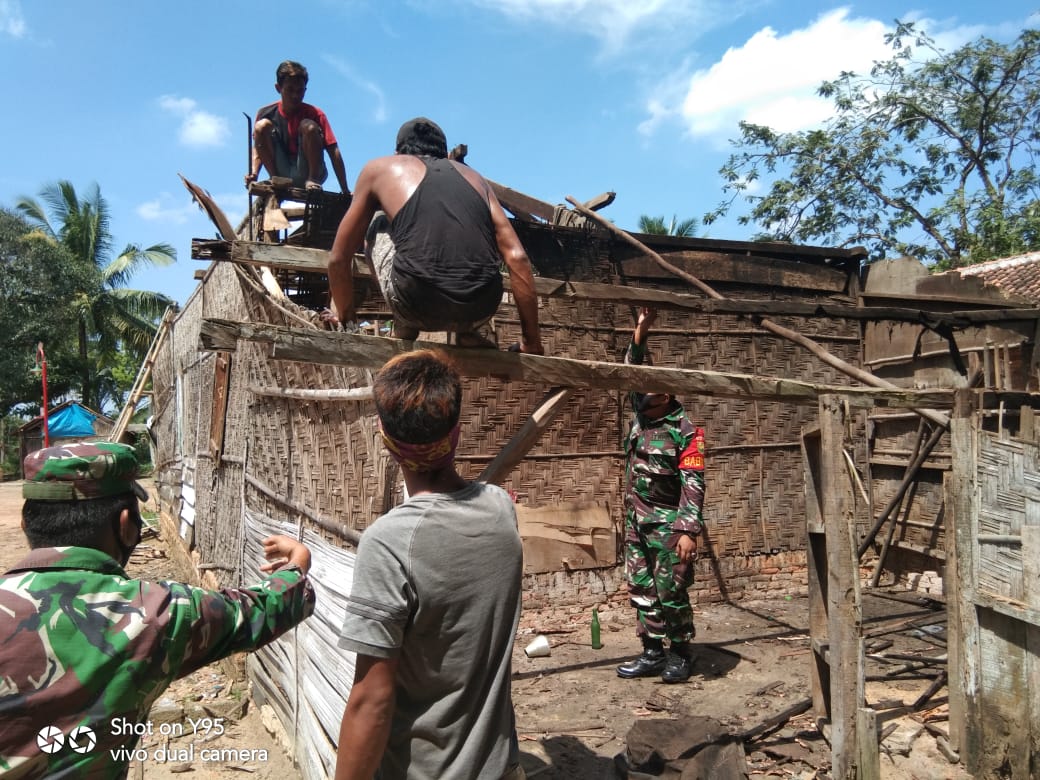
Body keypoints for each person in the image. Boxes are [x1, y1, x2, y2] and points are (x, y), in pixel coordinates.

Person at [0, 441, 315, 778]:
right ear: (126, 525)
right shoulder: (156, 613)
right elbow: (261, 610)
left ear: (24, 525)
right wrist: (296, 566)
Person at [335, 350, 525, 780]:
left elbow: (372, 701)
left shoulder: (388, 543)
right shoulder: (500, 509)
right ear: (455, 434)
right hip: (500, 766)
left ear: (385, 438)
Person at [326, 116, 543, 353]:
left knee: (377, 222)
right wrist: (531, 342)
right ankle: (468, 332)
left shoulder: (379, 169)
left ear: (398, 152)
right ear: (444, 153)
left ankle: (404, 323)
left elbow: (339, 258)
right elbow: (517, 258)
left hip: (415, 304)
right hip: (481, 308)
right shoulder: (476, 179)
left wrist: (346, 320)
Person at [616, 307, 706, 684]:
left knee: (671, 590)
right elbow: (632, 366)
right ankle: (652, 651)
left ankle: (681, 652)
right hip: (637, 522)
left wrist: (688, 530)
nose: (638, 400)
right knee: (642, 586)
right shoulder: (644, 417)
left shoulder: (686, 431)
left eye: (647, 397)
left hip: (669, 525)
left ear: (666, 396)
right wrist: (640, 331)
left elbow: (693, 483)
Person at [245, 60, 350, 193]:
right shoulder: (265, 113)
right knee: (261, 126)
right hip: (282, 170)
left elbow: (333, 151)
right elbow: (258, 146)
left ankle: (312, 179)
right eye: (290, 90)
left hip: (308, 170)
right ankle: (274, 178)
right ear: (278, 88)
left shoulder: (316, 114)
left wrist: (345, 189)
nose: (295, 95)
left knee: (309, 126)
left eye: (300, 91)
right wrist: (254, 173)